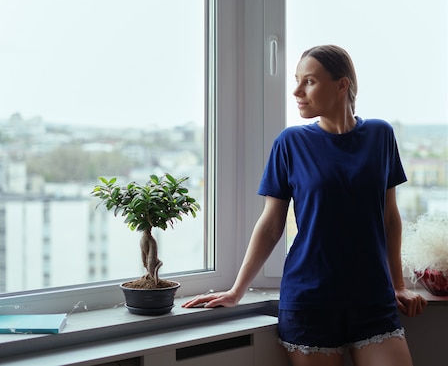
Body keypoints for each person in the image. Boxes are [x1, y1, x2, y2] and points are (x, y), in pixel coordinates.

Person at [182, 44, 427, 366]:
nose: (297, 90)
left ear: (342, 85)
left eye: (308, 81)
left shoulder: (380, 135)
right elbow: (270, 225)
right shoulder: (290, 142)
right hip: (310, 300)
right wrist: (236, 290)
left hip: (373, 299)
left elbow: (389, 216)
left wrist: (398, 284)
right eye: (296, 80)